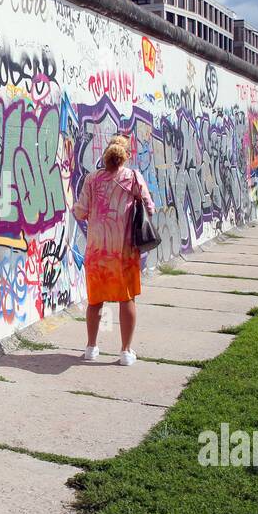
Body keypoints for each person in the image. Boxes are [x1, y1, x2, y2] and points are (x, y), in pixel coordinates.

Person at [72, 135, 155, 366]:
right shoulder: (133, 177)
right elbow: (150, 208)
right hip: (124, 251)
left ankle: (91, 347)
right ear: (126, 155)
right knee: (126, 299)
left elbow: (80, 212)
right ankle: (126, 352)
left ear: (105, 154)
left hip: (97, 252)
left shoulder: (91, 179)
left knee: (95, 301)